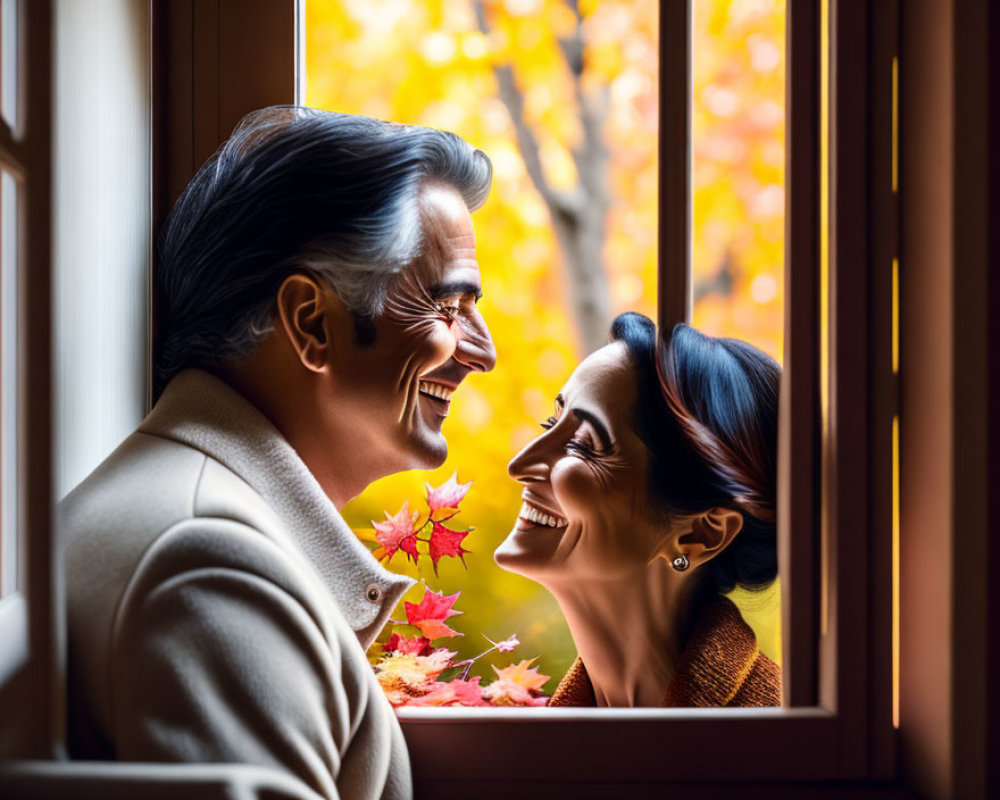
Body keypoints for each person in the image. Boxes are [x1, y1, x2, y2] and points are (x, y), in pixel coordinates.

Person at [61, 107, 495, 799]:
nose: (484, 352)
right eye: (447, 308)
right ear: (310, 321)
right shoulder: (208, 564)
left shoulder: (197, 520)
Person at [495, 312, 781, 708]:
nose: (519, 465)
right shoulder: (535, 749)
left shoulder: (785, 752)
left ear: (701, 535)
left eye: (582, 445)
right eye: (550, 422)